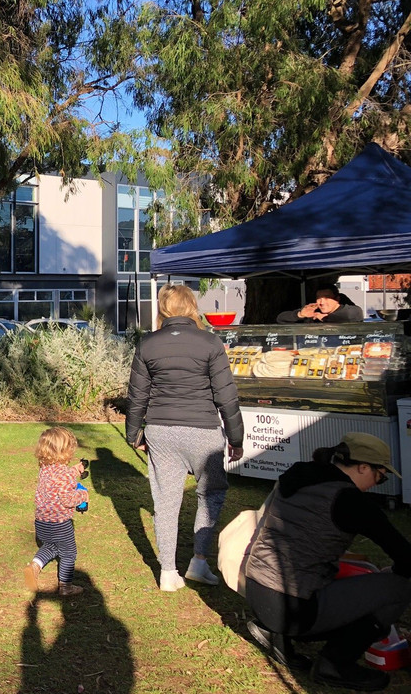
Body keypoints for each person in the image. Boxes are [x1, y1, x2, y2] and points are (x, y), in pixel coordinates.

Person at [245, 433, 410, 691]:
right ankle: (334, 665)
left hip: (256, 590)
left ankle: (277, 633)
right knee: (399, 588)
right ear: (363, 467)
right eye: (380, 476)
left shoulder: (298, 476)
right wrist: (395, 571)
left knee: (347, 573)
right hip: (293, 608)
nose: (378, 483)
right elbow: (405, 556)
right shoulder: (348, 499)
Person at [125, 285, 245, 592]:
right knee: (210, 494)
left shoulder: (147, 343)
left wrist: (133, 434)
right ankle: (199, 561)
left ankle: (167, 572)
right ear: (192, 307)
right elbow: (226, 396)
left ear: (163, 310)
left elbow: (137, 396)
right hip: (203, 430)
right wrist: (236, 437)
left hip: (161, 431)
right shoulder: (210, 341)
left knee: (165, 502)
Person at [23, 425, 89, 597]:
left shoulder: (45, 469)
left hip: (41, 522)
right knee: (69, 553)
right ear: (66, 451)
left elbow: (60, 478)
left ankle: (34, 566)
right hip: (60, 524)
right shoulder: (65, 475)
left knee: (51, 546)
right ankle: (66, 586)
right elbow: (68, 500)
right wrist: (82, 495)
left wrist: (75, 470)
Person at [276, 285, 365, 324]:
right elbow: (280, 319)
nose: (322, 302)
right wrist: (300, 314)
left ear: (337, 299)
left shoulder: (350, 310)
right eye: (319, 298)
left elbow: (350, 315)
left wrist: (325, 318)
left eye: (327, 298)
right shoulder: (314, 312)